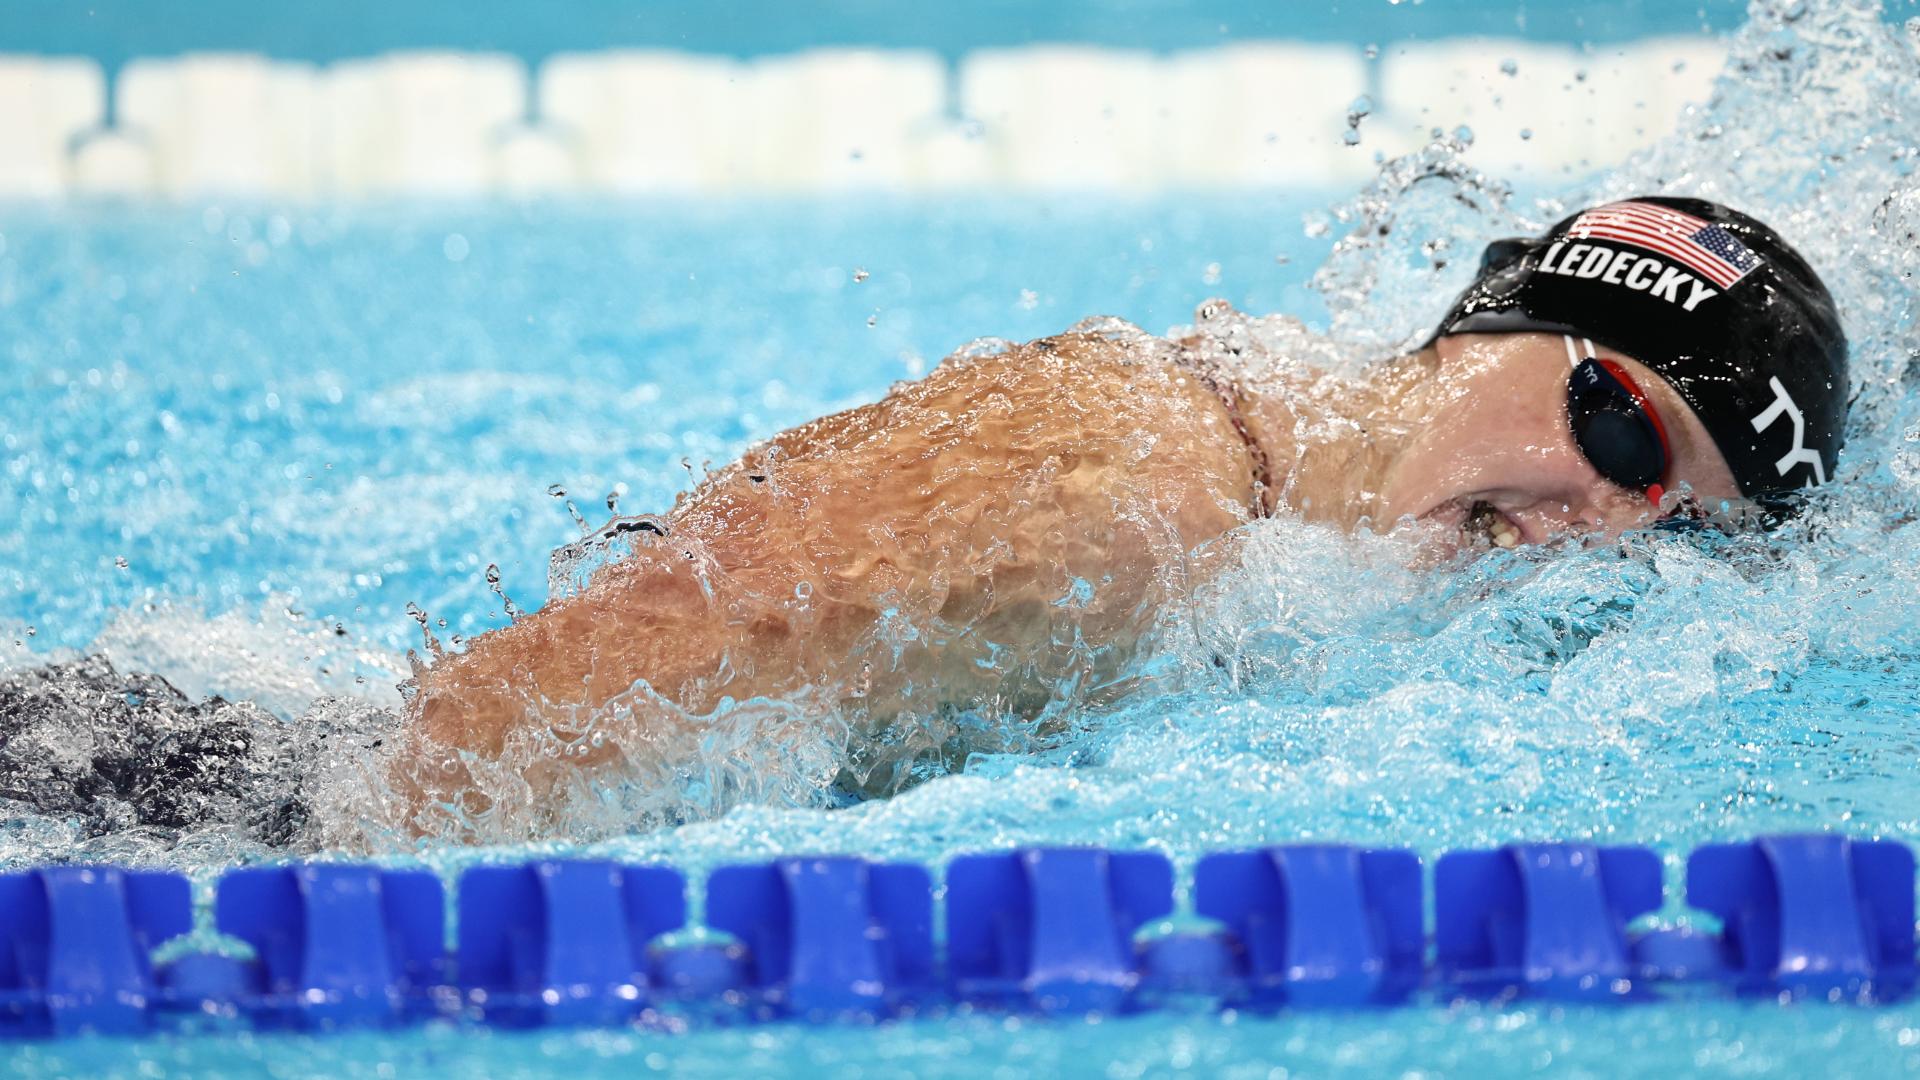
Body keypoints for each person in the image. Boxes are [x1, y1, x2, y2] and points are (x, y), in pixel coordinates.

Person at [393, 195, 1848, 839]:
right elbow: (509, 726)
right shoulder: (1122, 490)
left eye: (1674, 533)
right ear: (1484, 330)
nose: (1603, 524)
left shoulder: (1297, 552)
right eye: (1621, 432)